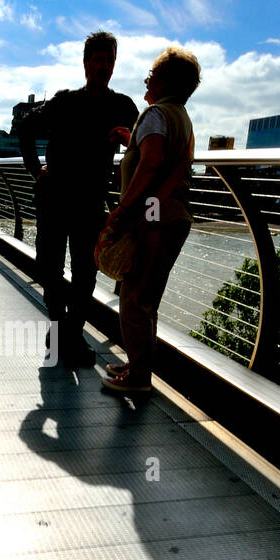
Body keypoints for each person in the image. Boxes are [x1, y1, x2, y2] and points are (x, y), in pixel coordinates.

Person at [19, 30, 138, 366]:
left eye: (108, 60)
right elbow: (25, 129)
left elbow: (145, 145)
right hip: (53, 198)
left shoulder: (122, 106)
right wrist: (35, 169)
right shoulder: (64, 101)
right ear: (86, 63)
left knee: (86, 274)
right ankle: (61, 331)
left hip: (90, 203)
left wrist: (128, 143)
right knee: (50, 269)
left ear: (114, 65)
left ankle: (69, 335)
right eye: (97, 60)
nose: (103, 66)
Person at [98, 46, 201, 394]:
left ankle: (139, 379)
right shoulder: (180, 116)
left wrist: (124, 209)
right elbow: (163, 156)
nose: (146, 79)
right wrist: (132, 142)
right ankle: (138, 366)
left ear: (167, 82)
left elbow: (153, 162)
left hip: (153, 216)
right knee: (147, 300)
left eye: (152, 75)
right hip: (171, 216)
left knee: (134, 299)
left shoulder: (155, 113)